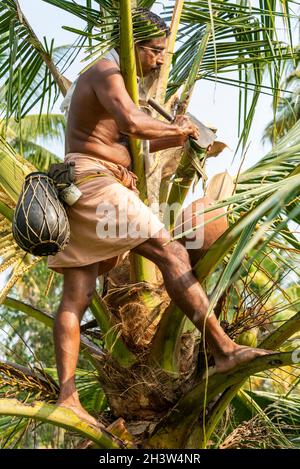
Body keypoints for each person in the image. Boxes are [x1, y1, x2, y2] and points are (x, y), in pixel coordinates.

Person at [48, 9, 272, 427]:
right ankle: (223, 349)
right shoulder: (106, 70)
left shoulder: (106, 75)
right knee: (171, 252)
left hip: (78, 185)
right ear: (134, 45)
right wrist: (181, 132)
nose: (159, 60)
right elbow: (131, 123)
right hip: (98, 185)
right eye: (154, 51)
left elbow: (125, 132)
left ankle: (68, 397)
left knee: (75, 296)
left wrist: (180, 133)